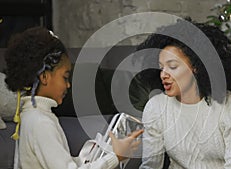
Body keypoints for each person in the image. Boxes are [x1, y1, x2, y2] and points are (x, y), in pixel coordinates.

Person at [4, 26, 143, 169]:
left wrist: (91, 152)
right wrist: (116, 157)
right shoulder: (41, 122)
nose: (68, 85)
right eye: (65, 77)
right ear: (44, 77)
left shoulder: (31, 116)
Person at [136, 19, 231, 169]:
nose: (164, 74)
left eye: (172, 66)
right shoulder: (156, 107)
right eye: (161, 67)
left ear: (196, 66)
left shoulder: (229, 106)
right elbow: (150, 166)